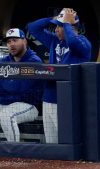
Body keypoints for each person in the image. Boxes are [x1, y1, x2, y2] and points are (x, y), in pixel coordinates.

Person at [28, 8, 91, 143]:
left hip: (69, 100)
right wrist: (54, 19)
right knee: (52, 144)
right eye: (56, 26)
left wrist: (67, 23)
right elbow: (32, 28)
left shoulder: (84, 43)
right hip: (49, 98)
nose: (56, 29)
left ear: (72, 26)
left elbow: (73, 42)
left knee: (68, 142)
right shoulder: (53, 41)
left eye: (59, 26)